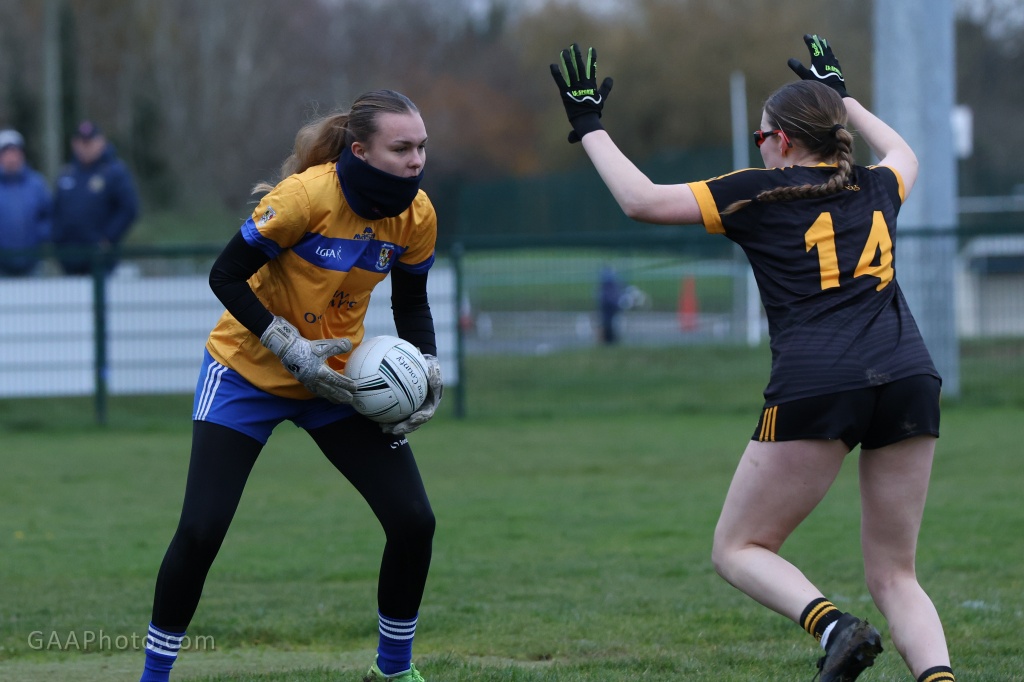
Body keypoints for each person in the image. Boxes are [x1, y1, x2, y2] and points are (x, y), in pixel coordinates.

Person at [550, 35, 955, 682]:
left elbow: (640, 200)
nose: (759, 146)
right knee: (895, 574)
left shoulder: (758, 192)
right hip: (909, 374)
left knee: (738, 547)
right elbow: (906, 152)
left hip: (818, 381)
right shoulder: (878, 185)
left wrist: (589, 124)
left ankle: (834, 627)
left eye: (762, 136)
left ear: (784, 142)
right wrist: (844, 98)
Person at [136, 90, 443, 682]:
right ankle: (154, 676)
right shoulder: (304, 197)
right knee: (201, 530)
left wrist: (427, 365)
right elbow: (224, 275)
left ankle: (393, 671)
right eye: (402, 148)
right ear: (361, 151)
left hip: (336, 382)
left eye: (422, 147)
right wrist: (286, 344)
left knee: (414, 521)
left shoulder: (418, 214)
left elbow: (411, 301)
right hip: (245, 372)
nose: (416, 160)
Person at [52, 120, 138, 275]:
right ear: (74, 144)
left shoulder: (114, 172)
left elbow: (129, 209)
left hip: (100, 258)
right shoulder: (67, 173)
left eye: (90, 142)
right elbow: (56, 210)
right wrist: (58, 240)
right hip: (69, 257)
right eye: (81, 142)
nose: (85, 147)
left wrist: (108, 237)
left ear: (101, 142)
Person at [0, 129, 51, 276]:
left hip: (33, 264)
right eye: (6, 153)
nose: (11, 158)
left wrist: (40, 237)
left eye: (15, 152)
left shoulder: (37, 184)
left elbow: (48, 215)